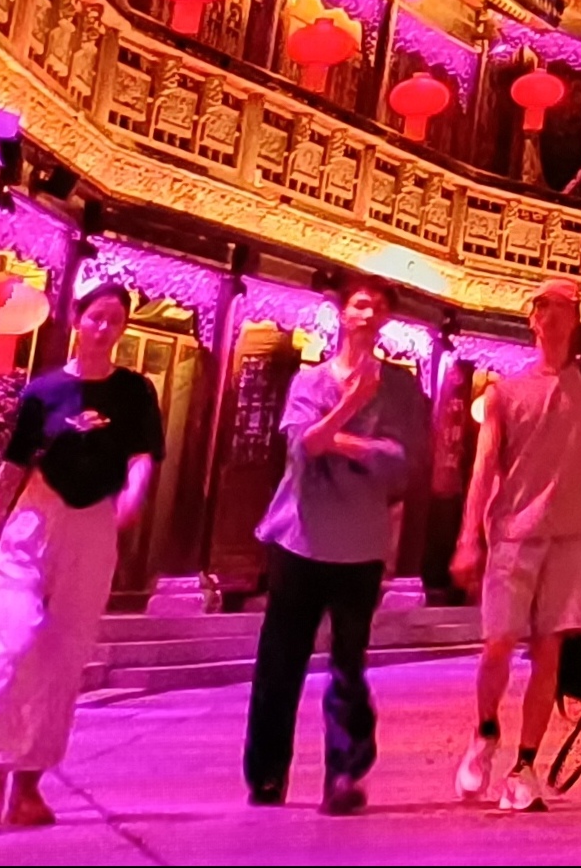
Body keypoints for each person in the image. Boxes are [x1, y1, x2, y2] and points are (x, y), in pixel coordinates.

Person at [0, 278, 164, 834]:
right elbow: (12, 468)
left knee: (64, 652)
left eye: (114, 321)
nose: (103, 328)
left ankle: (29, 785)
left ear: (123, 328)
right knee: (15, 642)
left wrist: (134, 493)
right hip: (33, 519)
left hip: (92, 523)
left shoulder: (134, 392)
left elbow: (145, 455)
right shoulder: (44, 391)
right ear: (78, 320)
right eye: (95, 317)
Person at [246, 276, 432, 815]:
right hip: (299, 537)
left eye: (377, 307)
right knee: (279, 661)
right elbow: (302, 445)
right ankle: (266, 776)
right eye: (358, 304)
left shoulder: (401, 389)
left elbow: (402, 462)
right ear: (342, 314)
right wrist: (352, 409)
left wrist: (340, 441)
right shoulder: (309, 380)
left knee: (349, 663)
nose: (367, 313)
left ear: (386, 320)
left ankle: (344, 775)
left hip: (361, 545)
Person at [451, 280, 581, 813]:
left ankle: (525, 765)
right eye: (542, 308)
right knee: (499, 642)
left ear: (575, 318)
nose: (551, 316)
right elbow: (483, 470)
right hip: (514, 534)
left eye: (560, 307)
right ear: (532, 321)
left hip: (570, 537)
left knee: (549, 651)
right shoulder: (504, 393)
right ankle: (486, 729)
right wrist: (469, 537)